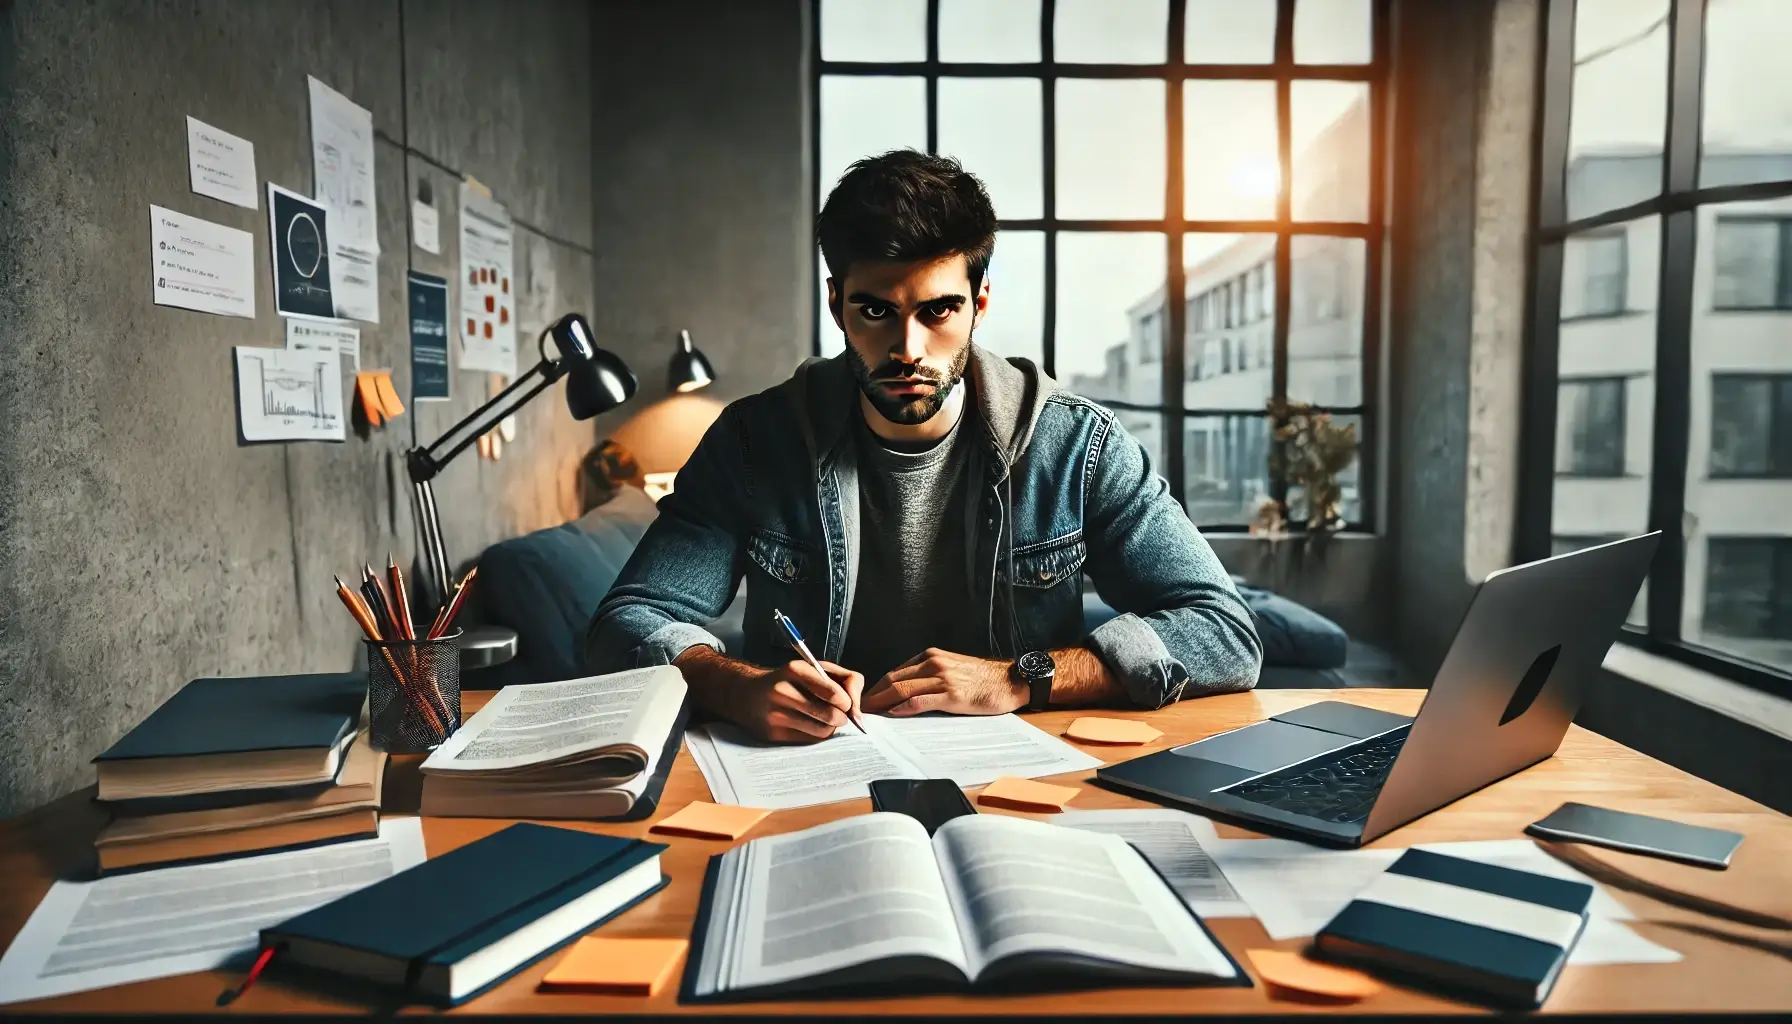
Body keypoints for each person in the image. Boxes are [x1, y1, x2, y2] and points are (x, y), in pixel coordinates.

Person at [587, 150, 1262, 743]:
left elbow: (1224, 632)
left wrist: (1024, 678)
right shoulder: (753, 443)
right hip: (804, 773)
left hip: (1020, 780)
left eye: (937, 310)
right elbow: (628, 621)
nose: (907, 350)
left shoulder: (1076, 447)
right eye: (875, 311)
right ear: (836, 305)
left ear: (980, 301)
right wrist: (731, 685)